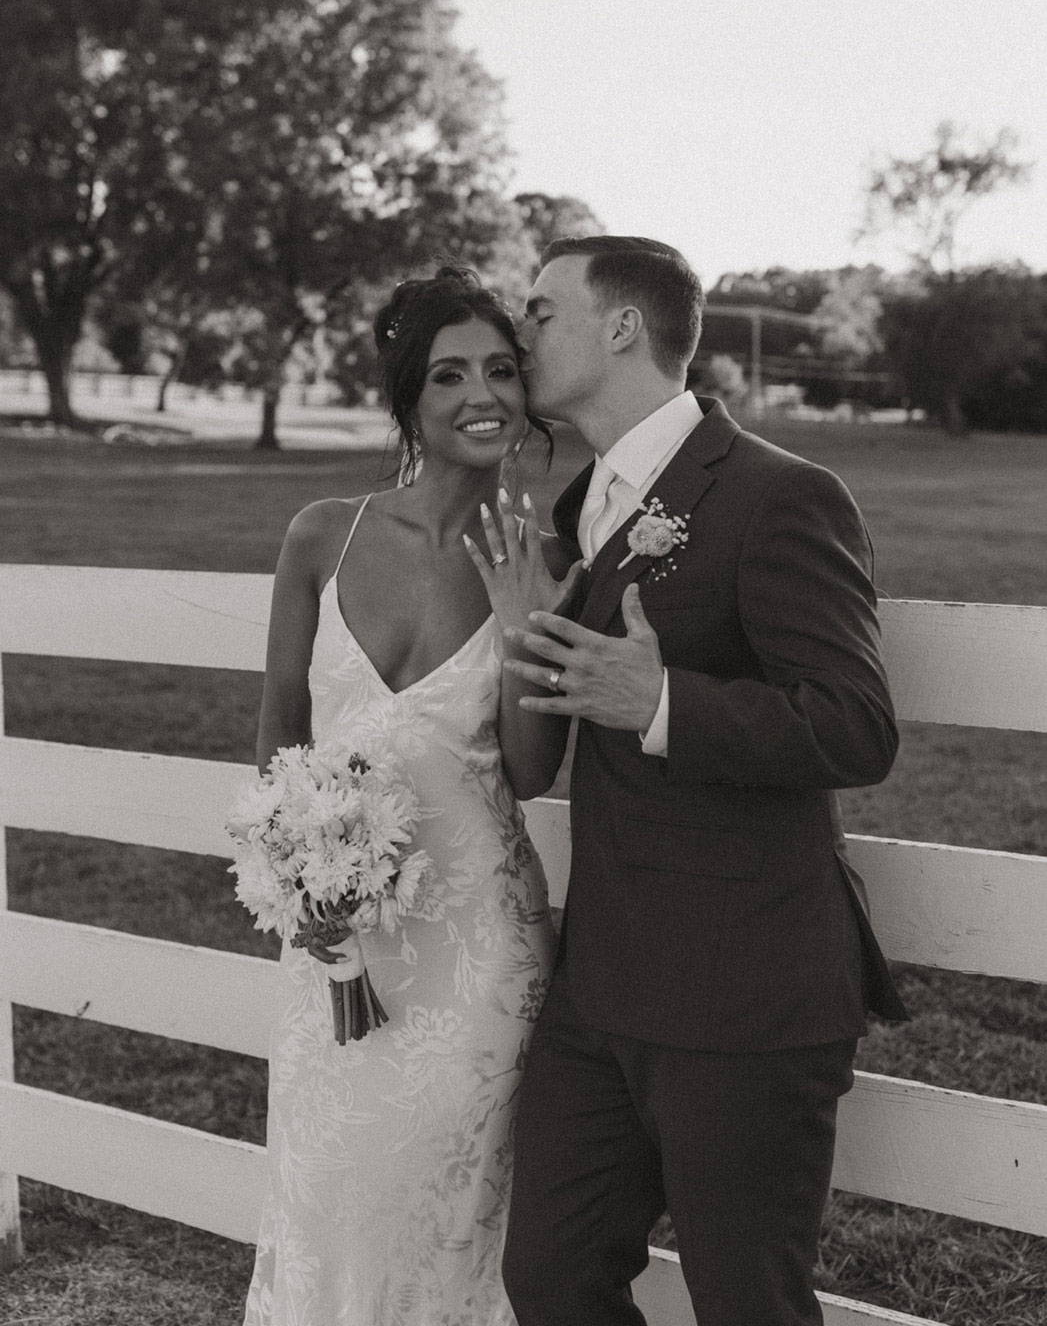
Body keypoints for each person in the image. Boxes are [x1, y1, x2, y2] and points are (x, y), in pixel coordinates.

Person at [493, 235, 908, 1326]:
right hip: (603, 986)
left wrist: (665, 703)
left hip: (746, 987)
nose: (516, 331)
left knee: (747, 1305)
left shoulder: (781, 495)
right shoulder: (580, 511)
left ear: (623, 325)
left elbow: (857, 726)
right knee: (550, 1273)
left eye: (539, 310)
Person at [242, 267, 580, 1326]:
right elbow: (280, 726)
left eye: (500, 370)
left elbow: (533, 772)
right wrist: (298, 883)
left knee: (450, 1214)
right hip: (335, 940)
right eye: (450, 375)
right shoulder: (321, 535)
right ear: (411, 402)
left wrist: (527, 629)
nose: (483, 394)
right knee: (330, 1191)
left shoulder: (543, 554)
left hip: (476, 949)